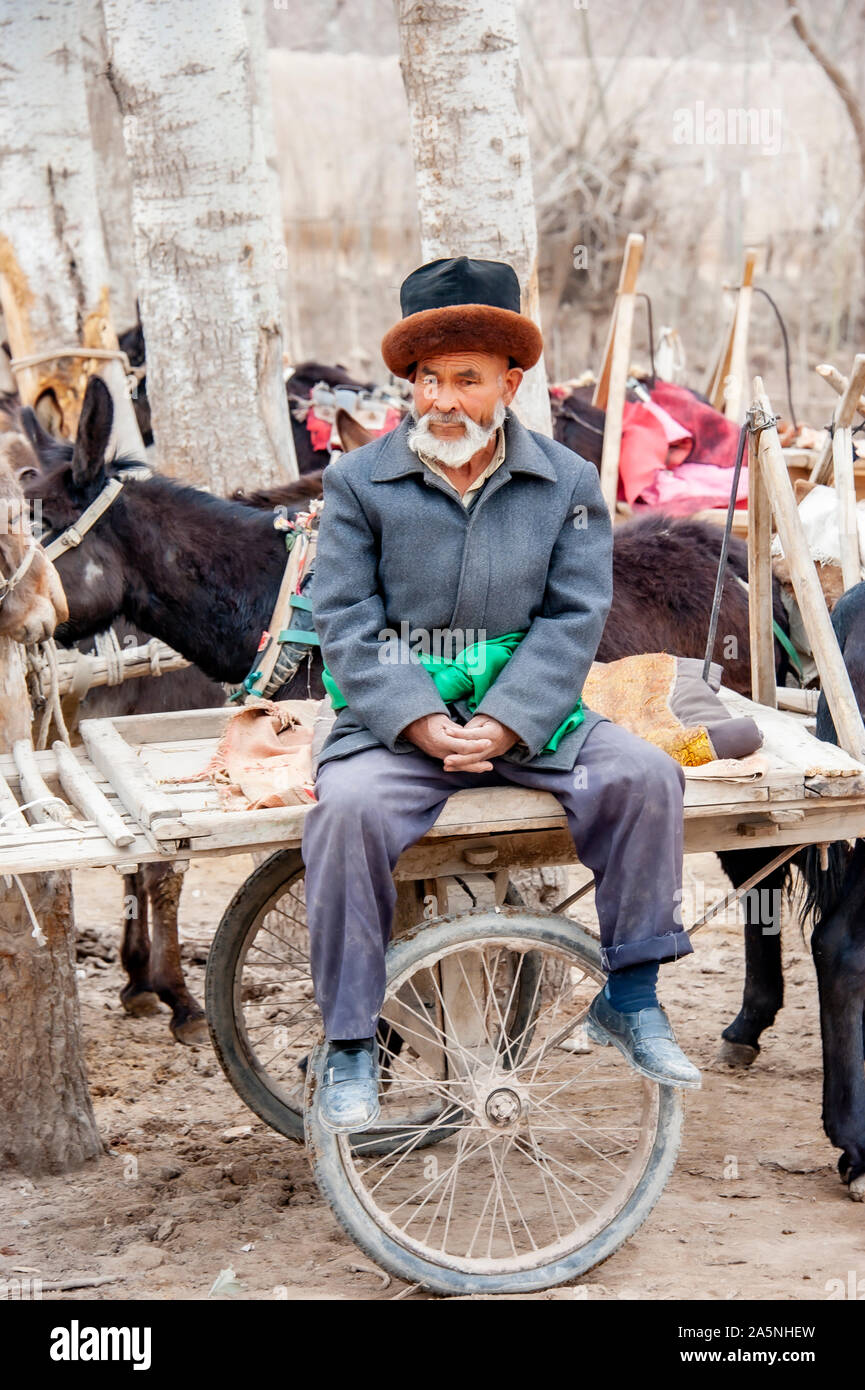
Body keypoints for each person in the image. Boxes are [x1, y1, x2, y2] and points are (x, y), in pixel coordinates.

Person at [302, 255, 700, 1132]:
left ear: (510, 383)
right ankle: (349, 1044)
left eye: (466, 380)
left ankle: (630, 997)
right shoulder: (357, 483)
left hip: (534, 711)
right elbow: (345, 620)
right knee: (346, 813)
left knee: (642, 778)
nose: (442, 400)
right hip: (392, 720)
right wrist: (418, 721)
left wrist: (503, 721)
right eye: (427, 380)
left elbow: (573, 618)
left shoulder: (566, 482)